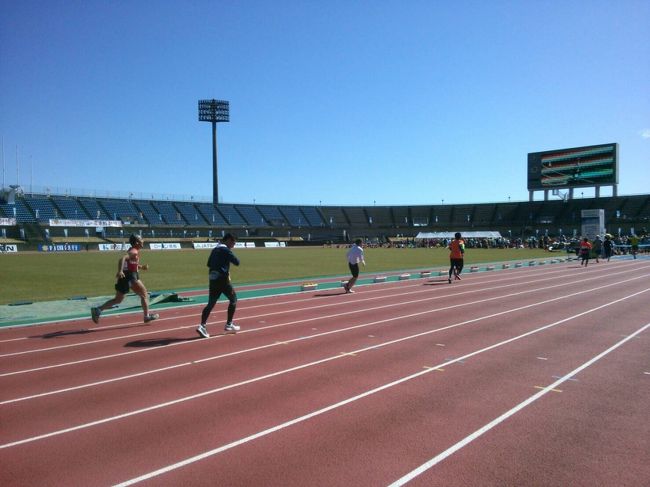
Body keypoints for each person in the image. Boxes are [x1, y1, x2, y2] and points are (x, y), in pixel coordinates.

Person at [91, 234, 159, 324]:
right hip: (131, 277)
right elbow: (122, 258)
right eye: (141, 239)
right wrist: (120, 271)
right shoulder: (134, 251)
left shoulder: (133, 251)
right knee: (144, 294)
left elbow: (131, 264)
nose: (143, 240)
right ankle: (146, 317)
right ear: (136, 242)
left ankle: (98, 310)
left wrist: (141, 267)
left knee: (118, 300)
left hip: (125, 277)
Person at [196, 233, 240, 338]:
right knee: (233, 299)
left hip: (213, 279)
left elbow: (208, 264)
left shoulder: (215, 249)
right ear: (229, 240)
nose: (233, 245)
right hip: (223, 280)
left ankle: (202, 325)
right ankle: (229, 324)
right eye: (233, 243)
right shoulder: (225, 250)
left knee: (210, 304)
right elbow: (237, 262)